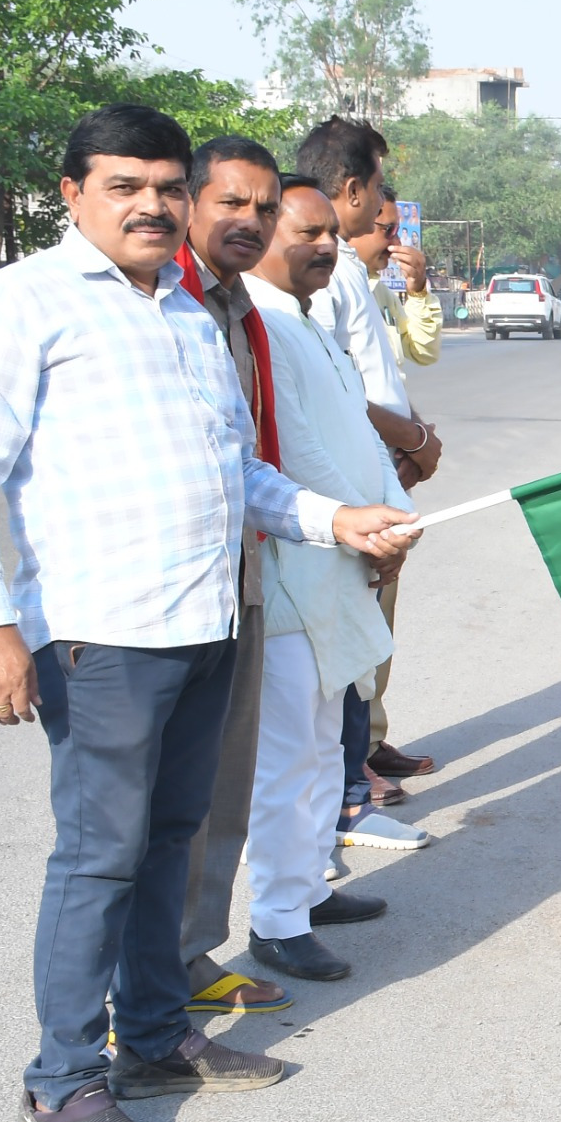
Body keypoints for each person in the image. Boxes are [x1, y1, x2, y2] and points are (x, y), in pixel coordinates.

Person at [0, 105, 417, 1122]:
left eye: (166, 186)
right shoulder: (22, 301)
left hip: (205, 625)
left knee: (169, 841)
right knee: (99, 858)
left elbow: (239, 473)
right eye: (123, 185)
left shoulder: (187, 308)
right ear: (72, 194)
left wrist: (335, 519)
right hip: (101, 638)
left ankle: (151, 1039)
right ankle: (60, 1082)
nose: (150, 204)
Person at [240, 178, 415, 985]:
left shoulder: (309, 323)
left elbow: (362, 436)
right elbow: (295, 450)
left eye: (330, 237)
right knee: (288, 756)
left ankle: (308, 887)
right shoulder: (260, 325)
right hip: (297, 566)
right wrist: (359, 522)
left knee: (318, 746)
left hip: (341, 558)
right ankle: (277, 920)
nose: (325, 247)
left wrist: (392, 513)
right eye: (307, 233)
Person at [171, 136, 297, 1019]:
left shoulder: (237, 307)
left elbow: (245, 454)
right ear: (189, 204)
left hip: (240, 569)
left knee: (222, 784)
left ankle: (188, 956)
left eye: (264, 208)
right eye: (231, 203)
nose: (250, 221)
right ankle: (142, 988)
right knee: (158, 805)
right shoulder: (162, 302)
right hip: (165, 595)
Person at [294, 117, 440, 842]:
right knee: (346, 650)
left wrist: (404, 453)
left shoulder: (353, 273)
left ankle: (354, 778)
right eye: (380, 190)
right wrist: (409, 440)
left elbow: (379, 374)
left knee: (365, 643)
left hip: (374, 481)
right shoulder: (321, 279)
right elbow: (335, 397)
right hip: (345, 500)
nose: (386, 209)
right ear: (353, 189)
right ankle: (348, 794)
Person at [354, 184, 443, 370]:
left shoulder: (379, 292)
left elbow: (423, 351)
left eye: (397, 231)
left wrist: (418, 291)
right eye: (389, 230)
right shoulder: (330, 287)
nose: (397, 242)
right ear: (359, 223)